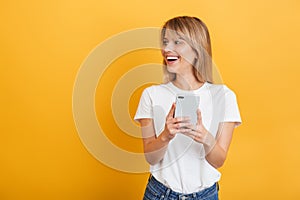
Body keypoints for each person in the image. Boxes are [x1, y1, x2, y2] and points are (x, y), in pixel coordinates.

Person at [134, 16, 241, 200]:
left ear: (197, 50)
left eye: (177, 42)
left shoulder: (223, 96)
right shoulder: (151, 95)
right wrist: (166, 135)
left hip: (205, 195)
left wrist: (205, 137)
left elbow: (218, 161)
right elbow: (151, 158)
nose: (167, 49)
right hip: (159, 194)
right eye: (165, 42)